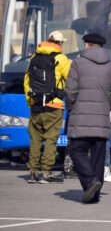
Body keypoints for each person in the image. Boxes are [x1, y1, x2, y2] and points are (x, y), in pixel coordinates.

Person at [65, 33, 111, 203]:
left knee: (76, 151)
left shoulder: (77, 63)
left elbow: (70, 92)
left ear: (88, 45)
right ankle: (94, 194)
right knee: (98, 157)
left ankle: (91, 181)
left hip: (80, 119)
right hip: (101, 120)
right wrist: (106, 107)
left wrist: (72, 108)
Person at [24, 30, 71, 183]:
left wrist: (30, 101)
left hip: (36, 104)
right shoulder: (61, 59)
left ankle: (32, 173)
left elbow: (27, 81)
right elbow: (70, 80)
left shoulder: (34, 57)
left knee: (35, 139)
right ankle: (46, 173)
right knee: (51, 139)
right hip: (54, 105)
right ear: (60, 43)